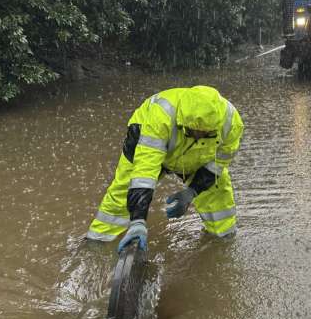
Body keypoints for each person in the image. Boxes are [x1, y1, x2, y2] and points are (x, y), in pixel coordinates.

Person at [86, 85, 244, 252]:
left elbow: (217, 166)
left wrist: (193, 191)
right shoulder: (160, 116)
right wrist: (138, 221)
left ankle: (223, 242)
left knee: (217, 193)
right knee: (123, 193)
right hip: (145, 141)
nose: (198, 135)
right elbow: (144, 172)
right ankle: (96, 244)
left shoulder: (231, 123)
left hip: (200, 154)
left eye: (205, 133)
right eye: (193, 131)